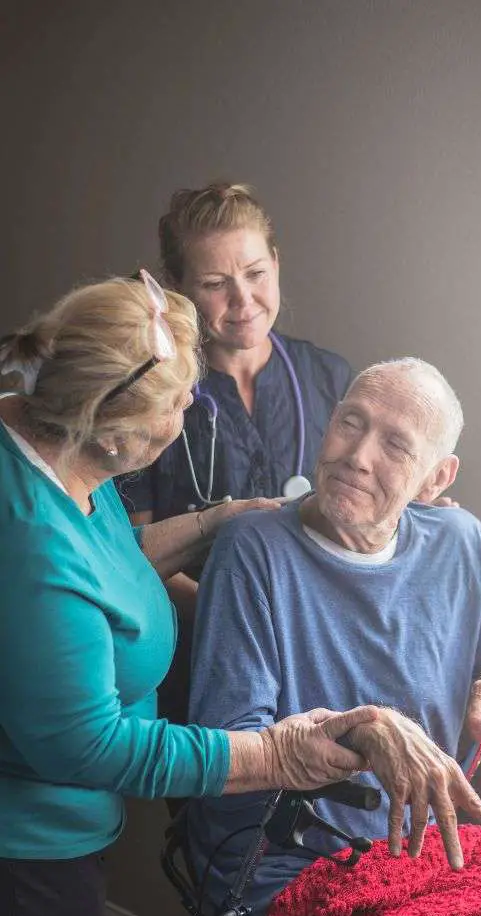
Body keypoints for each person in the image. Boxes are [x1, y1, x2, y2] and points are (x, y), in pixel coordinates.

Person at [0, 273, 380, 916]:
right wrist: (278, 755)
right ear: (110, 430)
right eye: (177, 401)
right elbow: (92, 746)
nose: (191, 407)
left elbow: (106, 567)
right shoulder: (28, 545)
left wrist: (216, 520)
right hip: (27, 860)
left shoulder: (48, 440)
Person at [185, 358, 481, 916]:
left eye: (395, 444)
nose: (358, 454)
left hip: (429, 856)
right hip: (289, 863)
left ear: (436, 478)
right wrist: (362, 730)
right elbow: (228, 746)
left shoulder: (460, 543)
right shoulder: (254, 550)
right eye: (350, 423)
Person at [117, 180, 353, 721]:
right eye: (215, 283)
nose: (243, 301)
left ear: (276, 262)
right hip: (201, 660)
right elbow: (128, 555)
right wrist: (239, 619)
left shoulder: (329, 378)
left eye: (255, 274)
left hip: (321, 654)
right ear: (177, 288)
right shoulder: (152, 399)